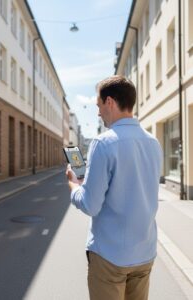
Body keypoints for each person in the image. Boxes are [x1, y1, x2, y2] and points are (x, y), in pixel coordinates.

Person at [66, 75, 162, 300]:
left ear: (110, 102)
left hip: (111, 256)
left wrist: (73, 184)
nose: (98, 112)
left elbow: (90, 204)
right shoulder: (153, 142)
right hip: (145, 252)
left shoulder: (103, 143)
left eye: (99, 106)